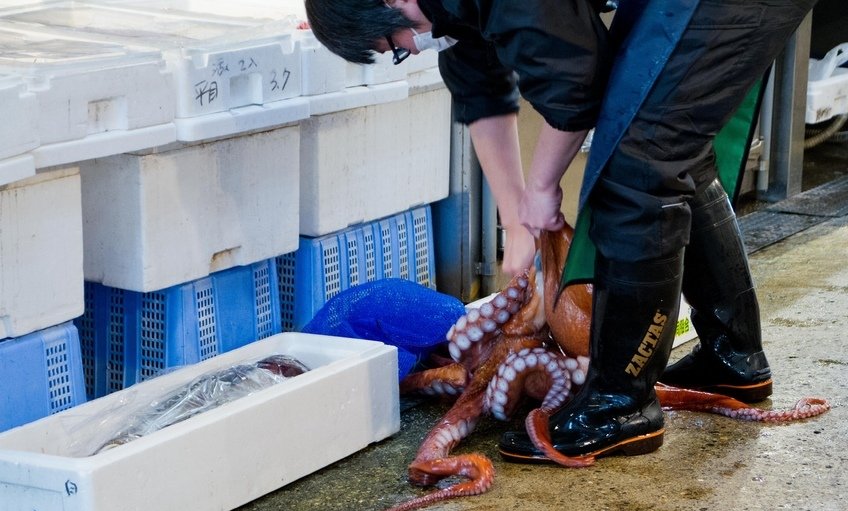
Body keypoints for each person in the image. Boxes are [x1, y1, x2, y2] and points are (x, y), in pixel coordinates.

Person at [304, 0, 817, 462]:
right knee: (670, 148)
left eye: (395, 44)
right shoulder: (450, 12)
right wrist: (517, 219)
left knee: (641, 160)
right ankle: (735, 357)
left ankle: (620, 404)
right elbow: (483, 97)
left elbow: (576, 85)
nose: (410, 50)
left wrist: (543, 188)